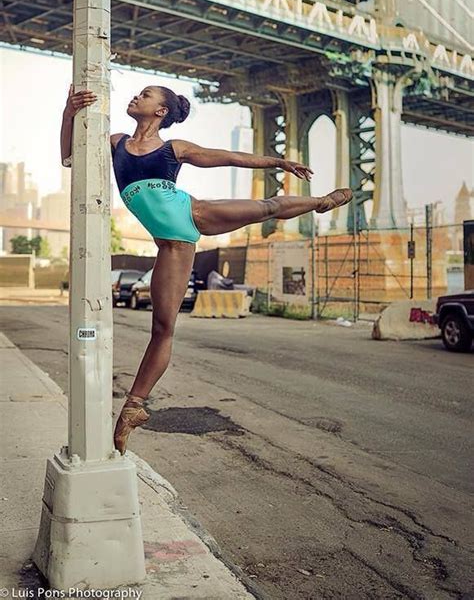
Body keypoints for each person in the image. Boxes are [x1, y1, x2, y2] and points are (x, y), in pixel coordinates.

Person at [61, 84, 352, 453]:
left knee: (267, 207)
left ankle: (322, 202)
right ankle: (134, 408)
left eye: (146, 95)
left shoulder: (173, 149)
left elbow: (228, 156)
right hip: (170, 244)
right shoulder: (115, 142)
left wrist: (277, 162)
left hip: (192, 213)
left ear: (160, 112)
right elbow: (69, 155)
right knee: (163, 327)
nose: (137, 97)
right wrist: (69, 112)